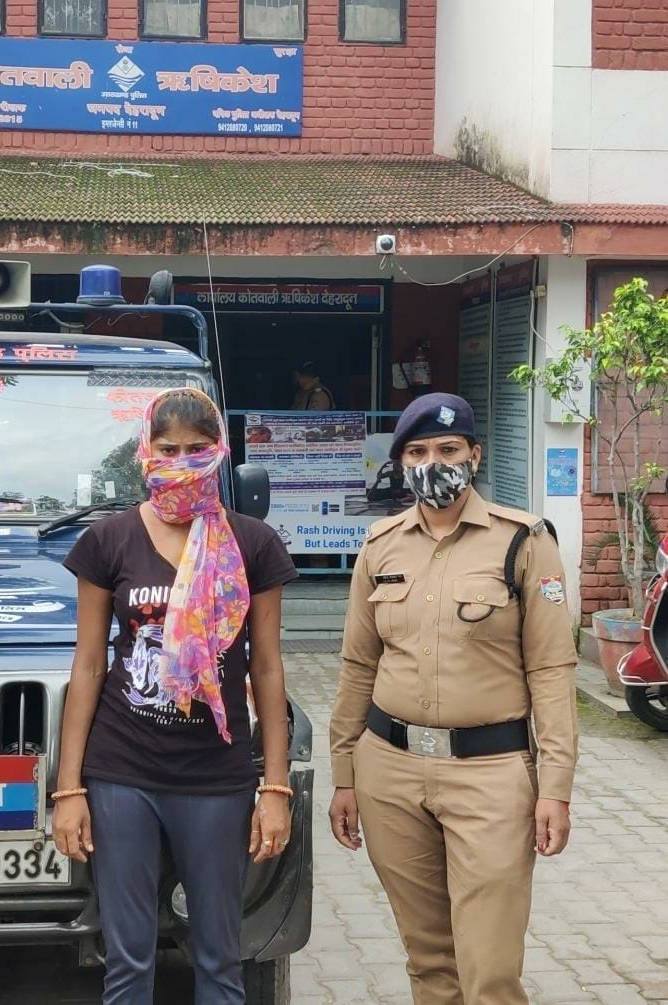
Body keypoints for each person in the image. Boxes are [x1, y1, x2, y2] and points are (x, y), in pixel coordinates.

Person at [328, 393, 578, 1005]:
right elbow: (358, 665)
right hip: (389, 772)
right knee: (429, 960)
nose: (432, 463)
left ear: (475, 455)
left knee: (489, 970)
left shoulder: (523, 541)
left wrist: (556, 788)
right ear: (400, 462)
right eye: (416, 452)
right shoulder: (380, 544)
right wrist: (344, 775)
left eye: (447, 449)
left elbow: (552, 670)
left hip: (490, 777)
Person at [53, 386, 299, 1005]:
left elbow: (267, 670)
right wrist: (69, 789)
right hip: (122, 772)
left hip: (216, 775)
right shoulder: (109, 541)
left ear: (221, 451)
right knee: (127, 960)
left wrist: (275, 787)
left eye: (197, 449)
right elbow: (89, 665)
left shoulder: (252, 544)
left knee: (220, 958)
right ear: (145, 452)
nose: (182, 461)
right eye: (168, 449)